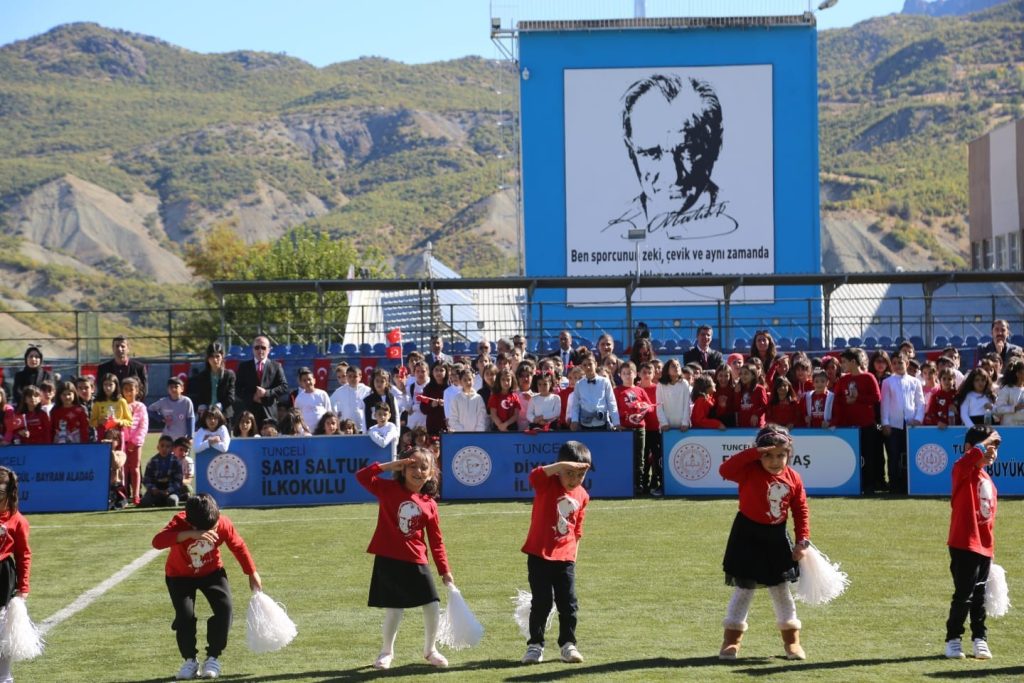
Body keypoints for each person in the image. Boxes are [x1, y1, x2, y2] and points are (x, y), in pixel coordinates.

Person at [718, 425, 810, 661]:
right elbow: (725, 469)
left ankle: (792, 643)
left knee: (781, 590)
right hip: (746, 536)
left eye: (780, 455)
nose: (775, 461)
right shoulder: (749, 471)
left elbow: (800, 510)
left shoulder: (793, 478)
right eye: (768, 455)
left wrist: (802, 540)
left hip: (776, 538)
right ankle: (731, 642)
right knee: (744, 590)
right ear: (759, 454)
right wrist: (754, 452)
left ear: (789, 454)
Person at [356, 449, 453, 670]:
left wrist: (444, 570)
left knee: (432, 605)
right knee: (394, 609)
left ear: (431, 473)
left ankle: (430, 650)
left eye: (424, 467)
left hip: (417, 560)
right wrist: (390, 465)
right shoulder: (388, 489)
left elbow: (436, 541)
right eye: (412, 466)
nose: (418, 471)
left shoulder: (430, 504)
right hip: (389, 558)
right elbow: (362, 476)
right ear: (403, 469)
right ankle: (386, 652)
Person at [152, 493, 262, 679]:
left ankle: (213, 658)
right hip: (179, 576)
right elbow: (157, 542)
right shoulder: (180, 521)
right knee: (185, 617)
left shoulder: (222, 523)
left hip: (212, 573)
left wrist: (252, 572)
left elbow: (238, 546)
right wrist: (190, 535)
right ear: (192, 524)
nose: (214, 529)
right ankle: (190, 660)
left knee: (225, 610)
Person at [615, 74, 723, 232]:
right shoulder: (616, 228)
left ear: (715, 146)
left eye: (687, 150)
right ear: (631, 152)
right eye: (651, 153)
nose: (673, 176)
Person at [520, 441, 591, 666]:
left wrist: (573, 556)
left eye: (580, 475)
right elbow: (534, 476)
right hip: (539, 555)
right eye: (569, 473)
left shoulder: (583, 495)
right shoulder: (546, 484)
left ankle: (568, 645)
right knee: (542, 602)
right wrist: (560, 465)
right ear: (559, 469)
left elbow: (577, 530)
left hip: (565, 559)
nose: (575, 479)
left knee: (569, 604)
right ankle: (535, 646)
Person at [944, 426, 1000, 660]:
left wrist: (990, 550)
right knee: (964, 594)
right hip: (964, 543)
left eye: (995, 449)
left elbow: (988, 519)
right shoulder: (962, 471)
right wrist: (984, 443)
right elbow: (966, 460)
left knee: (980, 596)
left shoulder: (988, 479)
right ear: (970, 448)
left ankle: (980, 638)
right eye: (988, 447)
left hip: (984, 547)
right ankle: (953, 639)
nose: (992, 452)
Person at [831, 348, 882, 494]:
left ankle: (869, 485)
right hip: (848, 427)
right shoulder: (843, 380)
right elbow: (837, 399)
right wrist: (846, 401)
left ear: (853, 362)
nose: (842, 365)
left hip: (867, 425)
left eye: (844, 362)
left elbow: (877, 398)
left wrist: (857, 398)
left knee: (869, 456)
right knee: (851, 457)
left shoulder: (868, 377)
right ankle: (854, 485)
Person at [0, 467, 31, 683]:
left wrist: (24, 587)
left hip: (2, 577)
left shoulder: (18, 520)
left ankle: (4, 676)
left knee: (3, 629)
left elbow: (23, 554)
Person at [880, 354, 925, 494]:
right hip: (894, 424)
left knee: (909, 454)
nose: (897, 365)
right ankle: (894, 484)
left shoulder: (915, 381)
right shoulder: (887, 382)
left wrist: (918, 419)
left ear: (907, 363)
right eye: (894, 363)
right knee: (893, 454)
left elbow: (920, 402)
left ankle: (908, 484)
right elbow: (884, 404)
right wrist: (885, 423)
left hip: (911, 424)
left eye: (900, 362)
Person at [234, 336, 289, 429]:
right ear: (253, 349)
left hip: (269, 413)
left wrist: (266, 393)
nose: (260, 350)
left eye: (263, 347)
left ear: (269, 350)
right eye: (257, 347)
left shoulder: (276, 366)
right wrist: (252, 397)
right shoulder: (244, 367)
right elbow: (237, 389)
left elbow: (284, 387)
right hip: (250, 415)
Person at [187, 342, 236, 423]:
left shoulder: (229, 375)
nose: (215, 360)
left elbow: (231, 397)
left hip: (224, 415)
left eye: (217, 356)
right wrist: (202, 405)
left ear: (222, 357)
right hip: (207, 415)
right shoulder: (202, 376)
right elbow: (199, 396)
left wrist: (220, 405)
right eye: (212, 356)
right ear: (208, 358)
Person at [569, 353, 619, 431]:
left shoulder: (605, 382)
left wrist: (616, 423)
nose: (588, 367)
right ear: (581, 367)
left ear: (595, 364)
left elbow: (611, 402)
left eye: (590, 364)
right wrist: (574, 420)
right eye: (585, 365)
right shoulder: (579, 384)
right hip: (585, 424)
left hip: (602, 423)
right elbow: (575, 405)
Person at [120, 377, 149, 504]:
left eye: (131, 389)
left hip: (135, 444)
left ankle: (136, 494)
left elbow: (143, 426)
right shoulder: (120, 405)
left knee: (135, 468)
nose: (128, 392)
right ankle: (124, 494)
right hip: (122, 442)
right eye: (125, 389)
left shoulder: (141, 407)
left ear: (137, 390)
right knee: (123, 469)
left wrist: (134, 441)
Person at [140, 435, 186, 508]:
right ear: (158, 447)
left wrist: (169, 490)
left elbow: (178, 481)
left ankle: (179, 496)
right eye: (162, 446)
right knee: (144, 502)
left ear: (172, 449)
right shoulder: (152, 461)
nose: (164, 448)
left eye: (168, 447)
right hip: (155, 490)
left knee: (172, 501)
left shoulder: (176, 461)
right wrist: (153, 489)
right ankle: (158, 500)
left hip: (170, 490)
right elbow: (146, 480)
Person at [149, 377, 195, 443]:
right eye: (171, 387)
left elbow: (190, 418)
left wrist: (190, 436)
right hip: (167, 438)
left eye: (176, 387)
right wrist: (161, 418)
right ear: (168, 389)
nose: (173, 389)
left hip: (182, 438)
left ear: (182, 388)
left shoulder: (186, 401)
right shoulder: (163, 402)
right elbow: (149, 410)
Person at [91, 374, 132, 442]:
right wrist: (100, 421)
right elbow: (92, 422)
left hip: (118, 435)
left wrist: (118, 421)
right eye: (105, 385)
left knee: (116, 448)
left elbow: (129, 421)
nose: (108, 387)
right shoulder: (98, 402)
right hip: (102, 435)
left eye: (110, 385)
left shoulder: (121, 401)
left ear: (116, 385)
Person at [656, 358, 691, 436]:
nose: (676, 367)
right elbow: (659, 406)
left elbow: (687, 405)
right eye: (673, 366)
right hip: (666, 427)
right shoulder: (660, 385)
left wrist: (685, 422)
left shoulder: (684, 383)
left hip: (682, 427)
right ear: (667, 370)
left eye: (678, 365)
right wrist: (663, 423)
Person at [331, 365, 370, 434]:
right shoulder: (339, 391)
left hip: (362, 428)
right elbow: (330, 403)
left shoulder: (367, 390)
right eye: (349, 376)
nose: (352, 379)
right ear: (346, 377)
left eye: (355, 376)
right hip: (346, 430)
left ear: (360, 376)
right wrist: (336, 415)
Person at [293, 367, 331, 434]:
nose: (307, 382)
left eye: (309, 379)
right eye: (304, 380)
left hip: (322, 432)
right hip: (306, 434)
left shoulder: (322, 394)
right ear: (301, 383)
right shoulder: (299, 398)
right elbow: (297, 417)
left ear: (314, 380)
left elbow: (329, 413)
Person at [448, 367, 487, 432]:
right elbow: (453, 419)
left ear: (473, 380)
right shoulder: (456, 399)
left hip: (476, 435)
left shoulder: (478, 398)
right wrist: (463, 432)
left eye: (470, 379)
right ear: (460, 382)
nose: (468, 382)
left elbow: (481, 418)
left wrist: (477, 433)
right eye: (465, 380)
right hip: (461, 435)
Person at [735, 363, 768, 429]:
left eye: (746, 373)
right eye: (741, 374)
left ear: (753, 375)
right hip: (743, 425)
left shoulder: (760, 389)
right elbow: (736, 407)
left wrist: (756, 414)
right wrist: (737, 393)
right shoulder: (740, 389)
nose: (743, 376)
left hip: (757, 426)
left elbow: (765, 406)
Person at [488, 368, 520, 433]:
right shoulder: (494, 397)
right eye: (503, 379)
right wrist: (501, 426)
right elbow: (493, 415)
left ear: (512, 380)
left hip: (512, 428)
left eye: (508, 379)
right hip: (498, 428)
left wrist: (505, 425)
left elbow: (516, 415)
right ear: (499, 381)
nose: (506, 382)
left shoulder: (515, 396)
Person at [993, 359, 1024, 425]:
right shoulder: (1007, 389)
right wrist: (1014, 408)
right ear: (1018, 374)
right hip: (1009, 427)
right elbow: (999, 409)